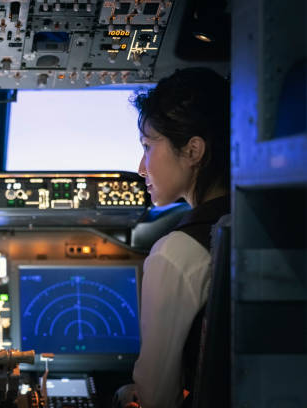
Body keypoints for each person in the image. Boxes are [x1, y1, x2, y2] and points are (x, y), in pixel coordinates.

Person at [115, 68, 231, 408]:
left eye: (148, 146)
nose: (140, 166)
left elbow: (155, 398)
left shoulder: (176, 253)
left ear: (193, 151)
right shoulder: (254, 225)